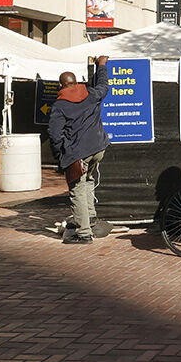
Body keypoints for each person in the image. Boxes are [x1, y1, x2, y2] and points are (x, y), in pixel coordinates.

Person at [48, 56, 111, 245]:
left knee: (77, 190)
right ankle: (90, 219)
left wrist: (61, 156)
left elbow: (55, 135)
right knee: (88, 181)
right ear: (76, 82)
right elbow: (104, 85)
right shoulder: (91, 94)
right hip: (99, 148)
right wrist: (101, 65)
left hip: (78, 154)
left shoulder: (60, 106)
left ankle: (84, 233)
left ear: (61, 86)